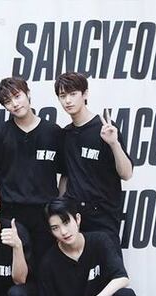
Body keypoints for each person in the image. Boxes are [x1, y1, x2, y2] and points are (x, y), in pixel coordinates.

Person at [0, 77, 65, 268]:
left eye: (17, 96)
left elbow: (65, 173)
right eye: (8, 101)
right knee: (15, 269)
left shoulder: (53, 132)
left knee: (47, 267)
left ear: (28, 94)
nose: (14, 104)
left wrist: (59, 206)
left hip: (46, 214)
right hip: (11, 215)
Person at [54, 72, 133, 253]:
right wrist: (61, 210)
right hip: (74, 217)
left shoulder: (105, 129)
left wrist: (114, 143)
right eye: (62, 96)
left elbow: (126, 174)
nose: (68, 101)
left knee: (111, 267)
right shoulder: (65, 134)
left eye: (73, 94)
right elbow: (65, 176)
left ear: (85, 94)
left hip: (103, 216)